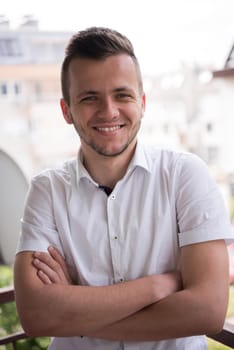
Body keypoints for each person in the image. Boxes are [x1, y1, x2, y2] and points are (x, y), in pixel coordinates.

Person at [14, 26, 234, 350]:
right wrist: (158, 286)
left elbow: (208, 311)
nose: (109, 111)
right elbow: (35, 315)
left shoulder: (186, 175)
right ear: (66, 110)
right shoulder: (46, 190)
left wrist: (74, 311)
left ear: (142, 103)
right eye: (90, 98)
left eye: (122, 95)